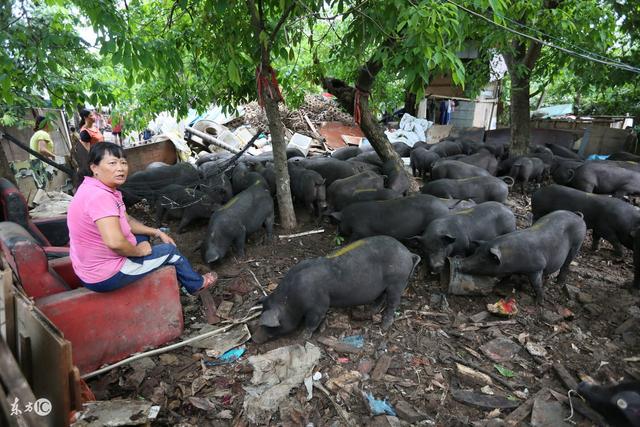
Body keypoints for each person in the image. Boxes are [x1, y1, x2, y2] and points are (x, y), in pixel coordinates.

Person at [67, 142, 217, 294]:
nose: (120, 168)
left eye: (123, 162)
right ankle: (196, 284)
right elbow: (115, 243)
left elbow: (127, 220)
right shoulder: (100, 197)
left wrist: (157, 232)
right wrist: (139, 251)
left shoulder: (95, 188)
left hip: (90, 267)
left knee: (143, 234)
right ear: (94, 168)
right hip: (106, 275)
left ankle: (151, 261)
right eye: (112, 163)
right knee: (170, 252)